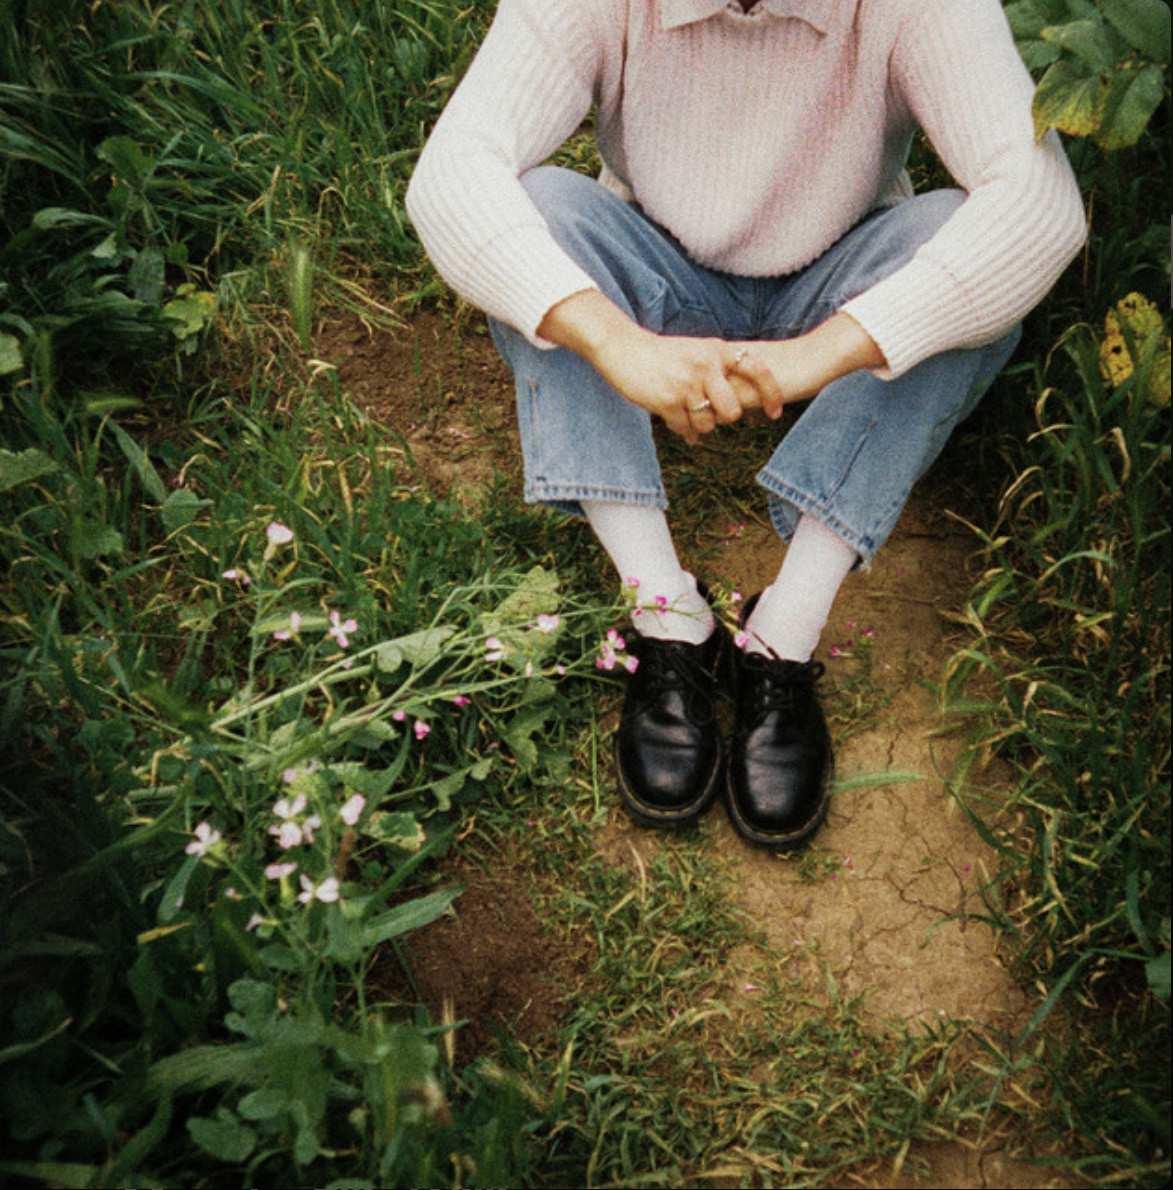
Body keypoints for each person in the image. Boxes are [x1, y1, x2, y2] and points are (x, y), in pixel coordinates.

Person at [406, 0, 1086, 850]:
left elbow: (1041, 205)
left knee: (970, 260)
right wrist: (614, 342)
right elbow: (453, 171)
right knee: (535, 223)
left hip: (837, 279)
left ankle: (782, 634)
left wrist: (823, 353)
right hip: (658, 274)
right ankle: (666, 615)